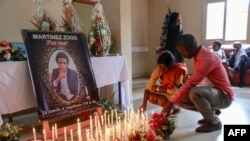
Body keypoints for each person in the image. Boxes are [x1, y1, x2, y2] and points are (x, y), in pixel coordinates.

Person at [161, 34, 234, 133]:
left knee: (193, 92)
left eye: (183, 52)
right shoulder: (198, 56)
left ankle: (214, 122)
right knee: (178, 98)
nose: (182, 55)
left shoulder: (207, 58)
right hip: (214, 93)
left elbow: (192, 83)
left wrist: (169, 104)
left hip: (224, 96)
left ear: (191, 46)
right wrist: (173, 100)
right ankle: (210, 114)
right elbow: (195, 80)